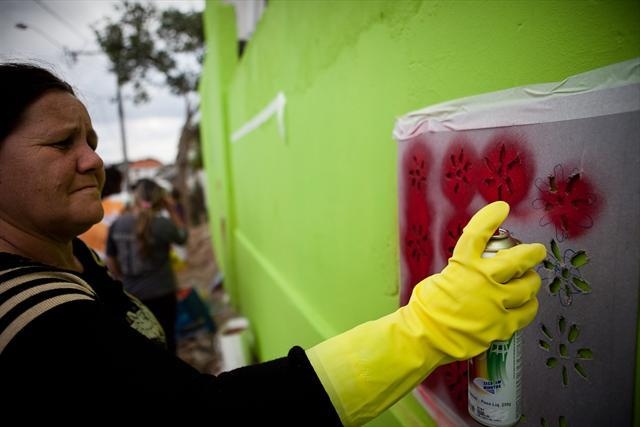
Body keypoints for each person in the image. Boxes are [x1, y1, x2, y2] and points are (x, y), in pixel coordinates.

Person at [0, 62, 546, 424]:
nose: (93, 160)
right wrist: (427, 328)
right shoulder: (35, 321)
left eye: (92, 141)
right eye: (60, 142)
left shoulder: (71, 253)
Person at [106, 177, 187, 354]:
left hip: (132, 295)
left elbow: (111, 258)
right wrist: (173, 209)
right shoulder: (163, 225)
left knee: (142, 347)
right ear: (160, 200)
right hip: (163, 293)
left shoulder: (117, 224)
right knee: (168, 339)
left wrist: (122, 278)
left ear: (135, 198)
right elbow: (183, 237)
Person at [78, 164, 125, 259]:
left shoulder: (83, 207)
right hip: (111, 263)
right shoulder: (121, 204)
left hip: (87, 259)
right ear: (118, 183)